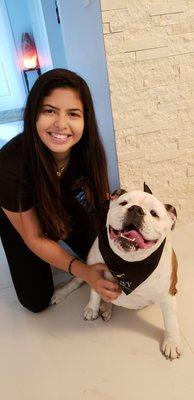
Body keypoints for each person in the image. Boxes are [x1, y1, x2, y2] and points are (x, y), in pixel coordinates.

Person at [0, 68, 121, 313]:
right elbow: (34, 238)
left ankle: (60, 232)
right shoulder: (9, 167)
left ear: (85, 119)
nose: (61, 124)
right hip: (20, 212)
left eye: (73, 113)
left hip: (63, 202)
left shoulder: (86, 148)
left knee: (108, 257)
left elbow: (98, 197)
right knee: (35, 301)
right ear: (33, 114)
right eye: (49, 111)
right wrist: (85, 272)